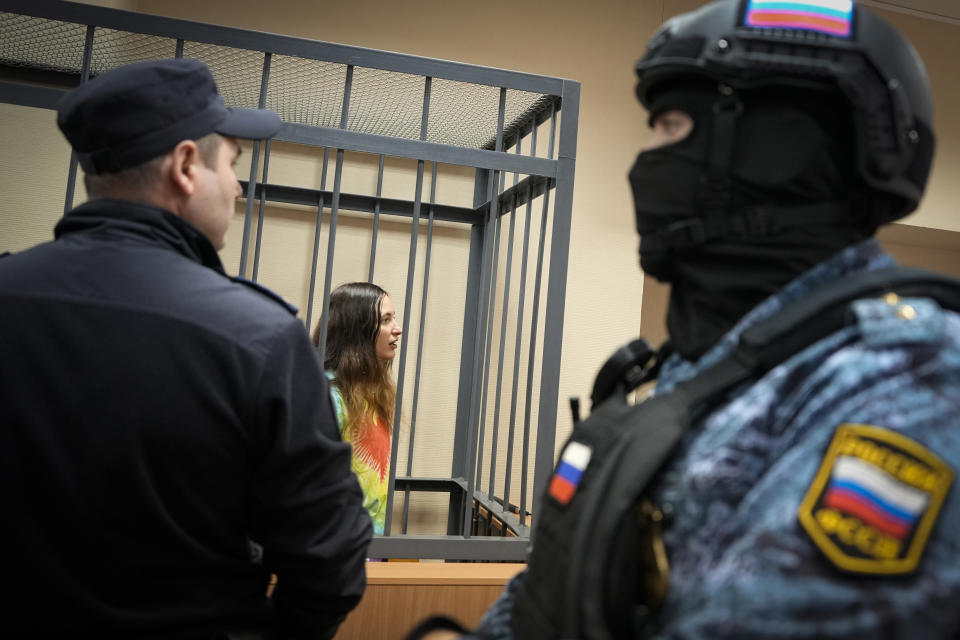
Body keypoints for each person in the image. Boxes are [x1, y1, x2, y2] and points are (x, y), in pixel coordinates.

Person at [416, 0, 960, 638]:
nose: (644, 162)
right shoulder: (700, 366)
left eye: (671, 127)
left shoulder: (907, 379)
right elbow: (558, 587)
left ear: (779, 148)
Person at [0, 58, 371, 639]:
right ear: (186, 166)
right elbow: (330, 558)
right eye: (233, 164)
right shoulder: (258, 337)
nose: (238, 186)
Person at [314, 282, 403, 536]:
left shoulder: (371, 393)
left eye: (393, 318)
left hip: (368, 544)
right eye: (386, 320)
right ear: (356, 331)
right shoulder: (330, 397)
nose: (397, 329)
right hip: (336, 547)